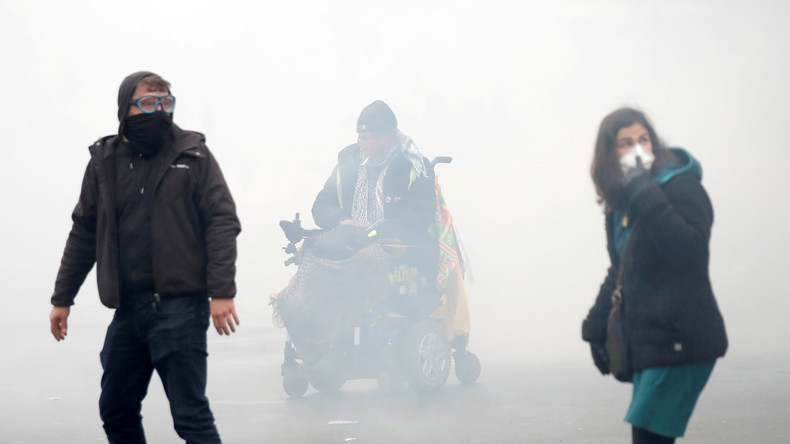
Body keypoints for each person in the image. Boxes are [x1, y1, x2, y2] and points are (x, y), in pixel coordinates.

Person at [49, 71, 241, 443]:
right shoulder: (105, 161)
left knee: (190, 416)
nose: (159, 111)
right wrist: (62, 298)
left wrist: (221, 291)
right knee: (116, 410)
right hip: (128, 311)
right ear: (126, 109)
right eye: (149, 103)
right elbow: (84, 231)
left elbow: (221, 221)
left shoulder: (194, 155)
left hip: (181, 308)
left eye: (166, 103)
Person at [581, 107, 727, 444]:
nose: (638, 149)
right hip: (652, 343)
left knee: (648, 438)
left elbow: (690, 252)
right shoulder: (621, 205)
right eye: (626, 142)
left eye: (644, 139)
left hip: (682, 338)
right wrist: (594, 326)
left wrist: (644, 190)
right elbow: (620, 269)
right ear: (609, 154)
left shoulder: (681, 187)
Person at [312, 100, 438, 281]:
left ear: (392, 137)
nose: (369, 146)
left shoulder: (414, 167)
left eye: (376, 139)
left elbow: (418, 217)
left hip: (399, 249)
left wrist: (372, 234)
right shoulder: (348, 162)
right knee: (316, 252)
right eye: (363, 138)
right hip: (352, 243)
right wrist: (342, 220)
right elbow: (322, 204)